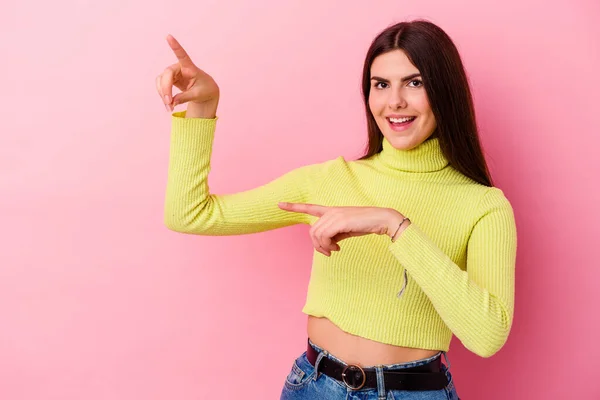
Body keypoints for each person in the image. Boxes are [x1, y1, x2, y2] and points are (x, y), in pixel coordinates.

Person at [157, 19, 517, 400]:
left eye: (414, 82)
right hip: (314, 386)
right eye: (381, 84)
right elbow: (189, 213)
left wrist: (395, 226)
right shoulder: (330, 179)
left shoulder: (483, 206)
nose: (394, 101)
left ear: (445, 91)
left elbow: (487, 336)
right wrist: (202, 106)